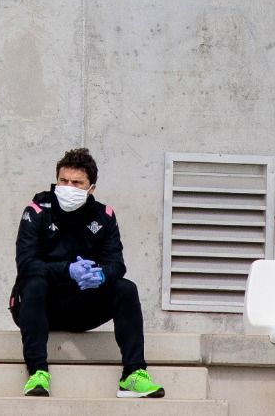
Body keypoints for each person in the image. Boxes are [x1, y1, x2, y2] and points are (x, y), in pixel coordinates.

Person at [10, 147, 165, 399]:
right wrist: (66, 270)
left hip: (83, 305)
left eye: (77, 183)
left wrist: (102, 275)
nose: (68, 187)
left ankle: (133, 374)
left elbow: (117, 263)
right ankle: (37, 373)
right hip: (42, 306)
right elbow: (26, 263)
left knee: (126, 288)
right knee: (33, 283)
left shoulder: (104, 216)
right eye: (63, 181)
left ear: (91, 188)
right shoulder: (37, 210)